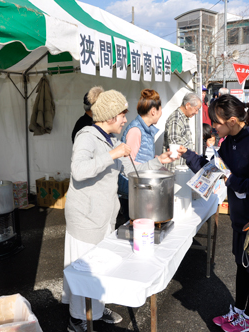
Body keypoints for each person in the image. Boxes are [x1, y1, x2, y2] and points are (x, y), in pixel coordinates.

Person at [63, 90, 178, 332]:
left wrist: (159, 160)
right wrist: (111, 154)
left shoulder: (113, 140)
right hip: (85, 216)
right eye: (122, 115)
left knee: (100, 266)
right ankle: (77, 317)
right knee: (84, 269)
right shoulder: (87, 136)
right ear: (110, 117)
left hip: (104, 214)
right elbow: (79, 170)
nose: (126, 120)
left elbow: (131, 169)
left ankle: (97, 308)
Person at [178, 94, 249, 332]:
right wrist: (188, 154)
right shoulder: (228, 142)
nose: (213, 125)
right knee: (241, 266)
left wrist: (237, 183)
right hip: (239, 218)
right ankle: (239, 311)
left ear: (232, 120)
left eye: (217, 121)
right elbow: (214, 170)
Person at [118, 89, 163, 220]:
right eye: (160, 110)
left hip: (139, 189)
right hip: (131, 191)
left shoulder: (145, 129)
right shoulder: (136, 130)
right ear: (153, 111)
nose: (161, 114)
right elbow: (128, 165)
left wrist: (156, 160)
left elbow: (141, 157)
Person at [163, 92, 201, 172]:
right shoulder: (176, 119)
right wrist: (189, 153)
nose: (197, 112)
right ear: (187, 105)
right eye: (196, 109)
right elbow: (174, 144)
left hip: (181, 168)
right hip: (175, 168)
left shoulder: (183, 118)